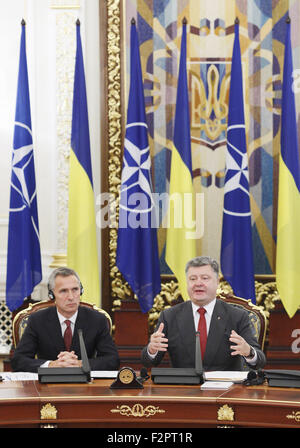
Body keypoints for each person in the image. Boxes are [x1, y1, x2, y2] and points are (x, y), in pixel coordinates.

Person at [141, 256, 266, 371]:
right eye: (192, 279)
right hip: (183, 389)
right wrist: (152, 350)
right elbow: (148, 362)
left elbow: (259, 361)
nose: (198, 283)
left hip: (225, 390)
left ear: (217, 282)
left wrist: (249, 351)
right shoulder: (169, 316)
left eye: (205, 278)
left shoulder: (237, 316)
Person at [11, 267, 120, 373]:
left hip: (85, 386)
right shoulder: (37, 320)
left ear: (81, 291)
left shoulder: (96, 319)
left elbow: (112, 360)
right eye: (63, 291)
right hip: (47, 387)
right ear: (52, 295)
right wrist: (51, 365)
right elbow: (18, 360)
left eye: (75, 289)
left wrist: (80, 364)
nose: (71, 297)